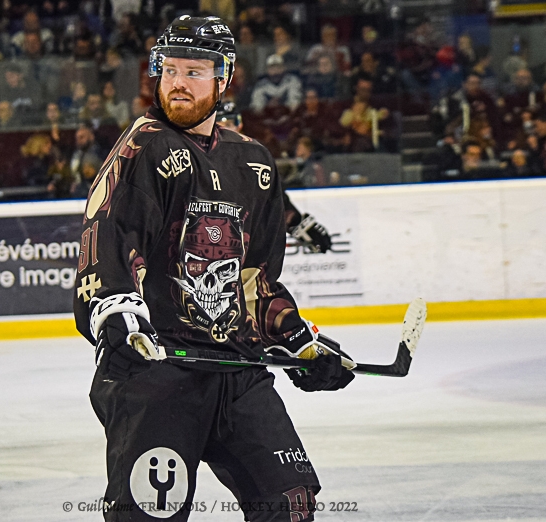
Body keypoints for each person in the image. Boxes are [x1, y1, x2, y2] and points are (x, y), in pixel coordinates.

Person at [73, 16, 353, 522]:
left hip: (236, 370)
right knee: (148, 516)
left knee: (290, 503)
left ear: (224, 80)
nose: (178, 82)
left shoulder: (254, 162)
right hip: (159, 369)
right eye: (170, 69)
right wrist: (113, 309)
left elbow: (257, 283)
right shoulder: (145, 146)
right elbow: (111, 236)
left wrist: (297, 340)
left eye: (195, 71)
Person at [216, 101, 333, 253]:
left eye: (229, 123)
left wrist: (296, 223)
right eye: (218, 124)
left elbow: (274, 200)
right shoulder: (195, 157)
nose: (224, 129)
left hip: (243, 247)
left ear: (239, 126)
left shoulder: (255, 159)